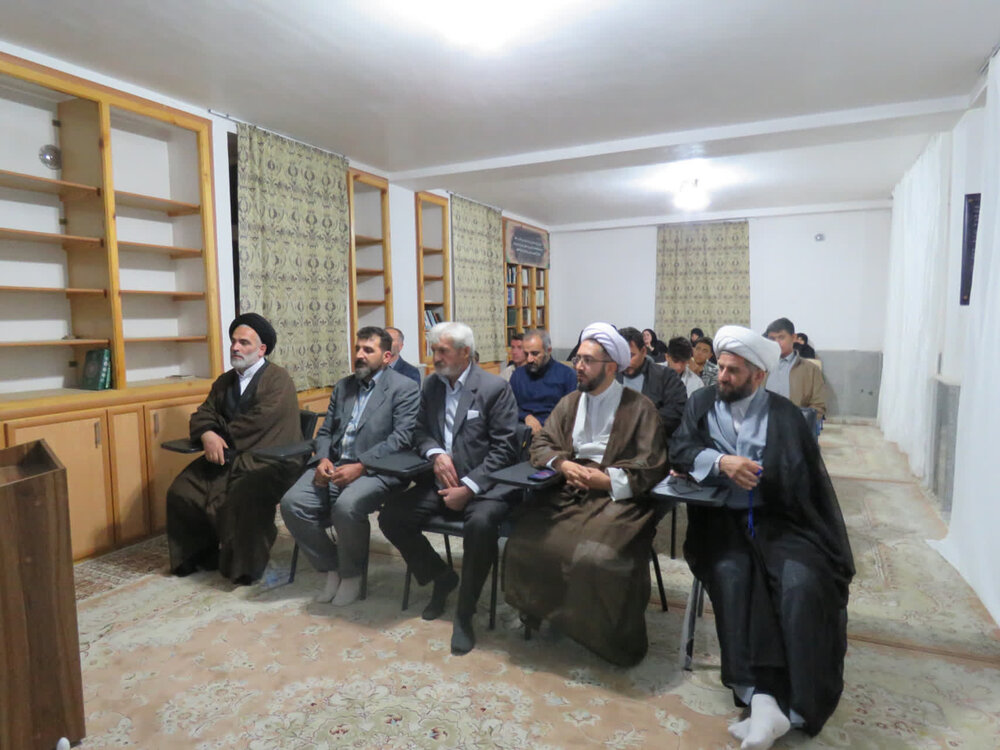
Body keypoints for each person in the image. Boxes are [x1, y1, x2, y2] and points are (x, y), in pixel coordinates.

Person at [669, 325, 854, 749]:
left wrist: (766, 478)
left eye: (733, 371)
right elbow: (680, 448)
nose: (723, 377)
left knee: (801, 583)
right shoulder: (701, 402)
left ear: (759, 375)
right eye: (721, 368)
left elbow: (804, 485)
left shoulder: (785, 416)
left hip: (781, 522)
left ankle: (797, 703)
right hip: (719, 522)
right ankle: (757, 694)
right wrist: (721, 462)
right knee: (735, 575)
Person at [505, 323, 668, 666]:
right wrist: (563, 465)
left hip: (619, 496)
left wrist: (606, 481)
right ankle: (548, 613)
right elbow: (542, 443)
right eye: (577, 358)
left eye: (587, 361)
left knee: (597, 557)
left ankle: (608, 639)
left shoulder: (640, 408)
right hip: (570, 486)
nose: (578, 366)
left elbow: (652, 464)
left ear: (611, 367)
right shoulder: (570, 402)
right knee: (527, 540)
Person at [378, 321, 519, 656]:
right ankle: (441, 576)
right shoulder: (432, 385)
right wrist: (436, 454)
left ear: (465, 352)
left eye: (442, 350)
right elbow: (419, 430)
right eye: (433, 350)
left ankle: (465, 613)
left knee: (480, 525)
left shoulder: (494, 388)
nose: (435, 357)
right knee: (392, 517)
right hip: (440, 481)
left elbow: (506, 449)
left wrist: (468, 488)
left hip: (484, 487)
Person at [280, 327, 420, 606]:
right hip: (335, 464)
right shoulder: (344, 386)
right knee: (292, 503)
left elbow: (401, 439)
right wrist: (323, 459)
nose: (359, 355)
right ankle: (332, 568)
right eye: (357, 349)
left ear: (387, 356)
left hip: (378, 470)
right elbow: (325, 432)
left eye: (368, 350)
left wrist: (361, 466)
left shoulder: (404, 388)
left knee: (346, 507)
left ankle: (352, 575)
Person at [166, 313, 301, 585]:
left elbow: (258, 423)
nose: (235, 347)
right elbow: (204, 413)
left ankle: (244, 567)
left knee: (243, 495)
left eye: (244, 343)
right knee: (182, 489)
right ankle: (199, 555)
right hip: (228, 455)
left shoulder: (278, 380)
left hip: (270, 459)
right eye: (233, 342)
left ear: (261, 349)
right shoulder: (225, 381)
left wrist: (219, 434)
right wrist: (207, 433)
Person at [616, 326, 688, 442]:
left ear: (644, 351)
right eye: (621, 356)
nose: (626, 362)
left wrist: (638, 422)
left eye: (631, 356)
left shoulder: (666, 377)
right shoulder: (610, 375)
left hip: (652, 443)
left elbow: (676, 412)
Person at [509, 328, 577, 434]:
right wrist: (526, 416)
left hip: (555, 431)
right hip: (523, 430)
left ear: (548, 351)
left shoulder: (567, 375)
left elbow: (571, 412)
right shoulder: (518, 375)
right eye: (526, 354)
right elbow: (509, 407)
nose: (529, 359)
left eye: (534, 354)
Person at [764, 318, 826, 418]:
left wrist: (799, 423)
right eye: (772, 339)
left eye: (781, 338)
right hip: (764, 424)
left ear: (793, 338)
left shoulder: (811, 370)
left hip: (796, 424)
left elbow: (818, 406)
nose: (776, 343)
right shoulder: (760, 367)